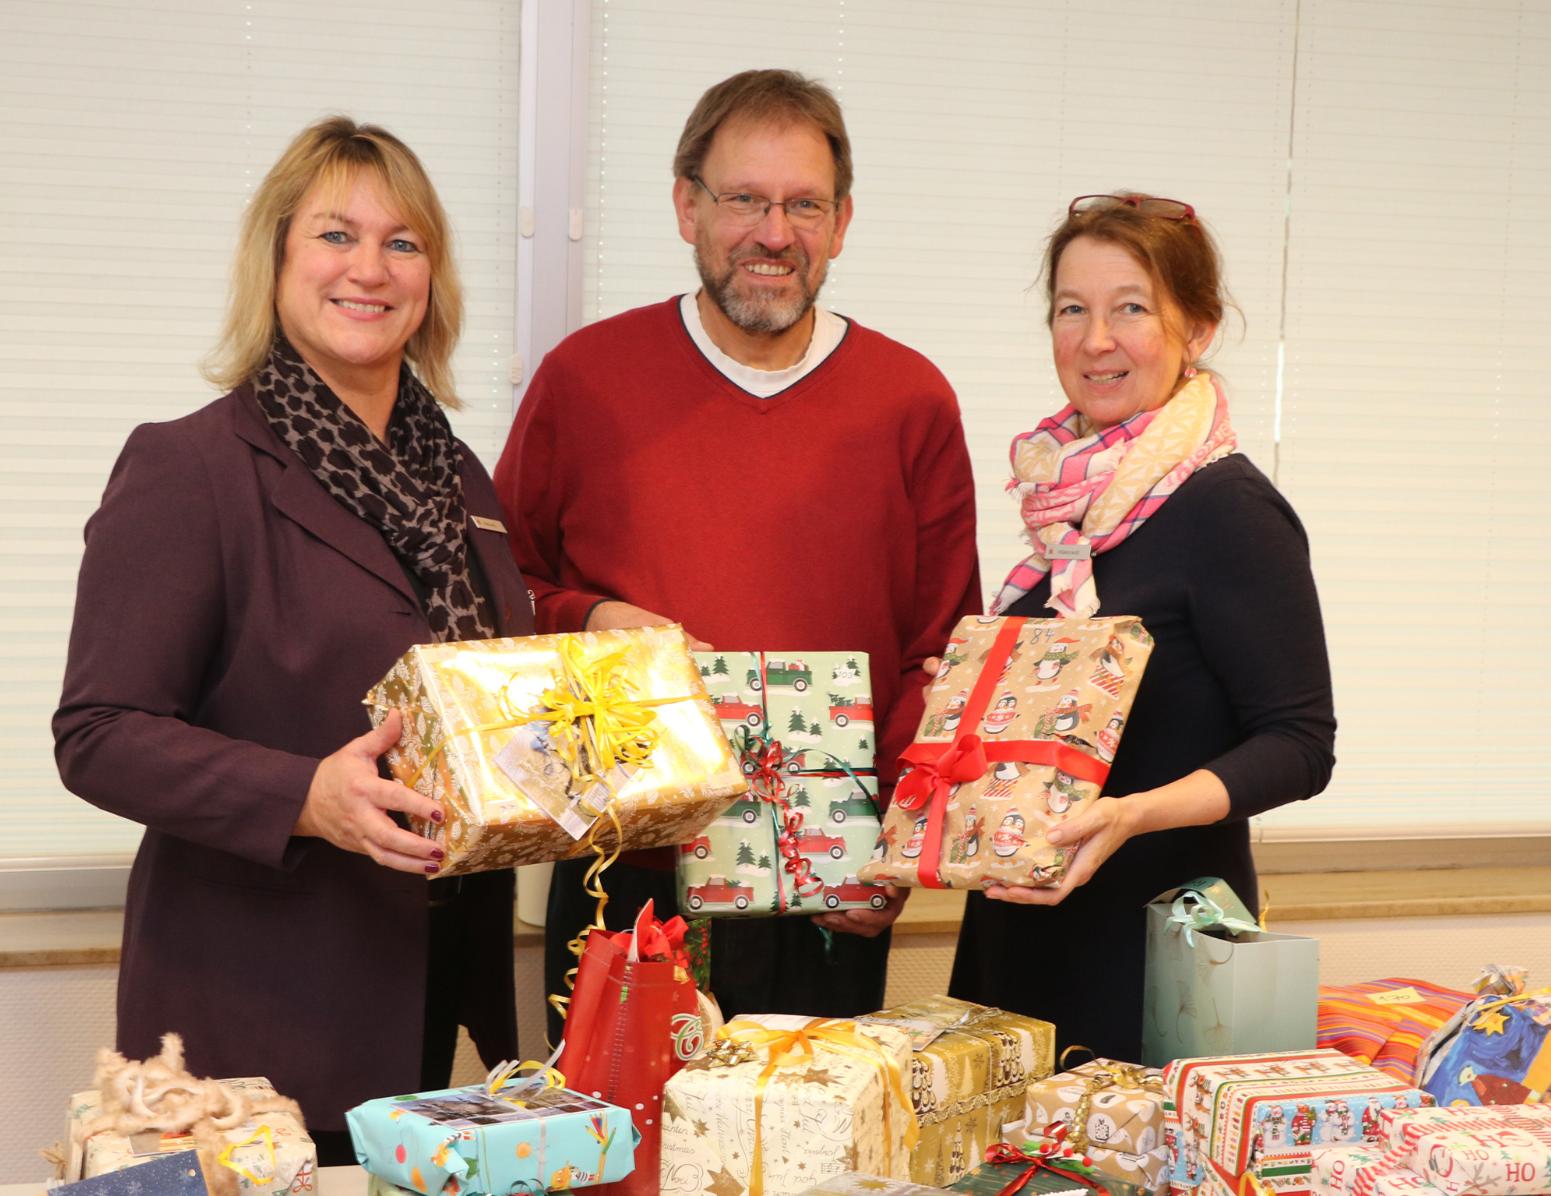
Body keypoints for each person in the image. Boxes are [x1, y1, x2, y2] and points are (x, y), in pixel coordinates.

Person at [53, 117, 532, 1162]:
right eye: (334, 235)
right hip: (257, 1019)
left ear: (431, 278)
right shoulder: (192, 467)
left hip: (434, 995)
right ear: (275, 259)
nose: (369, 267)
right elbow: (97, 729)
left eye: (402, 242)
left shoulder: (458, 477)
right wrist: (303, 796)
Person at [493, 69, 981, 1028]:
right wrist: (594, 617)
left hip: (830, 882)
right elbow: (501, 597)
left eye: (803, 204)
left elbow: (944, 652)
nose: (773, 232)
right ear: (686, 207)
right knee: (620, 1165)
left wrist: (896, 839)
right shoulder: (586, 380)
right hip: (626, 877)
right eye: (744, 200)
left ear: (841, 222)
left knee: (818, 1162)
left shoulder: (908, 400)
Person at [947, 192, 1335, 1061]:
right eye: (1071, 310)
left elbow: (1300, 744)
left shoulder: (1227, 509)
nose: (1095, 340)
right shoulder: (1061, 513)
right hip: (1018, 940)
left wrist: (1131, 815)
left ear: (1195, 327)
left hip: (1151, 951)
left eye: (1130, 308)